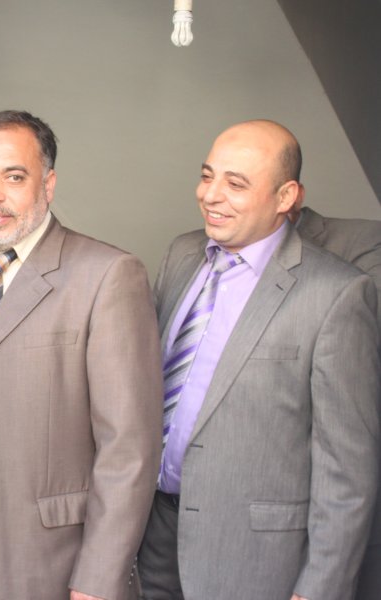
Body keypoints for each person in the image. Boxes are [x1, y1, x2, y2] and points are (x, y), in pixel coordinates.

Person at [0, 110, 163, 600]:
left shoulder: (107, 276)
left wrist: (100, 577)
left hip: (51, 559)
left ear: (49, 184)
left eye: (14, 177)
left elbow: (128, 450)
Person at [137, 119, 380, 600]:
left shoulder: (337, 293)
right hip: (153, 534)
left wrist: (321, 588)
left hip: (256, 556)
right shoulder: (182, 253)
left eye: (236, 183)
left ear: (286, 196)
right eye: (207, 176)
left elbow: (347, 470)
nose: (210, 195)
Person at [287, 194, 381, 600]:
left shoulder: (364, 242)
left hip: (331, 481)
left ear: (288, 193)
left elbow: (361, 341)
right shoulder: (198, 252)